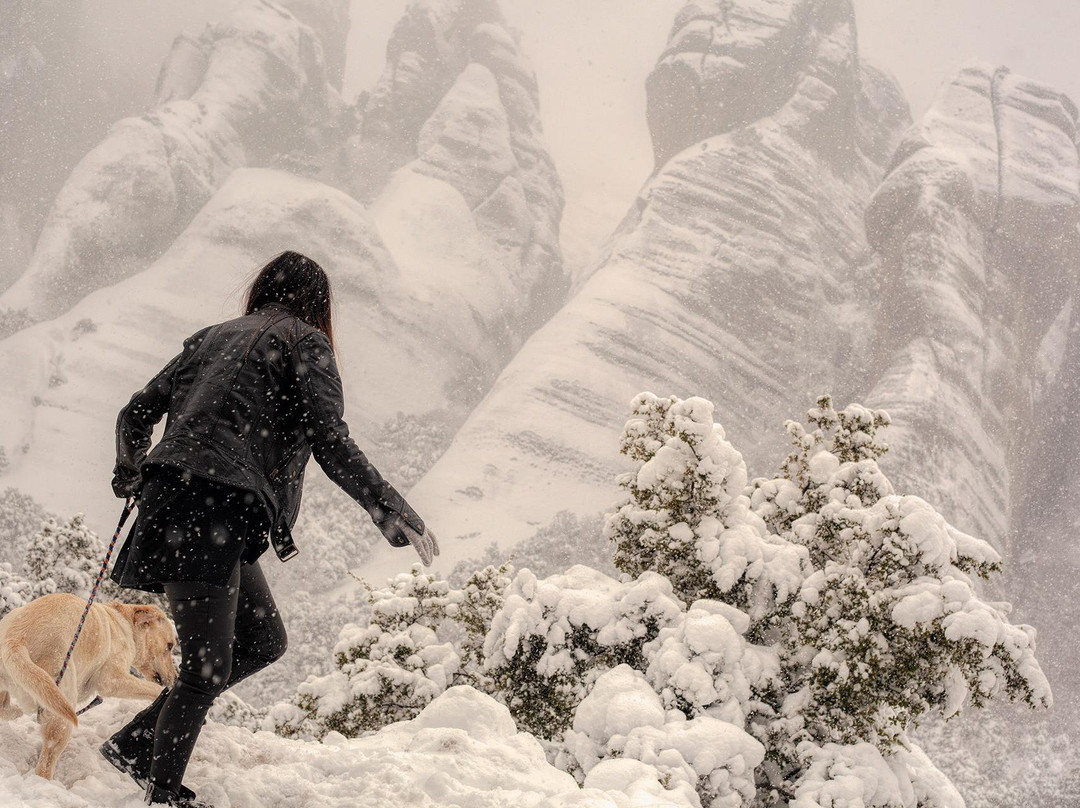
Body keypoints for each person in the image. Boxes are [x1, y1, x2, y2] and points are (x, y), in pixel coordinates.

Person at [100, 250, 438, 808]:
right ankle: (161, 793)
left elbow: (135, 414)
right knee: (208, 668)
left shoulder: (209, 337)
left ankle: (136, 745)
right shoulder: (306, 343)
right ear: (318, 304)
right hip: (214, 509)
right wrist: (391, 509)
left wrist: (132, 472)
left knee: (262, 641)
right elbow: (330, 440)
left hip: (191, 509)